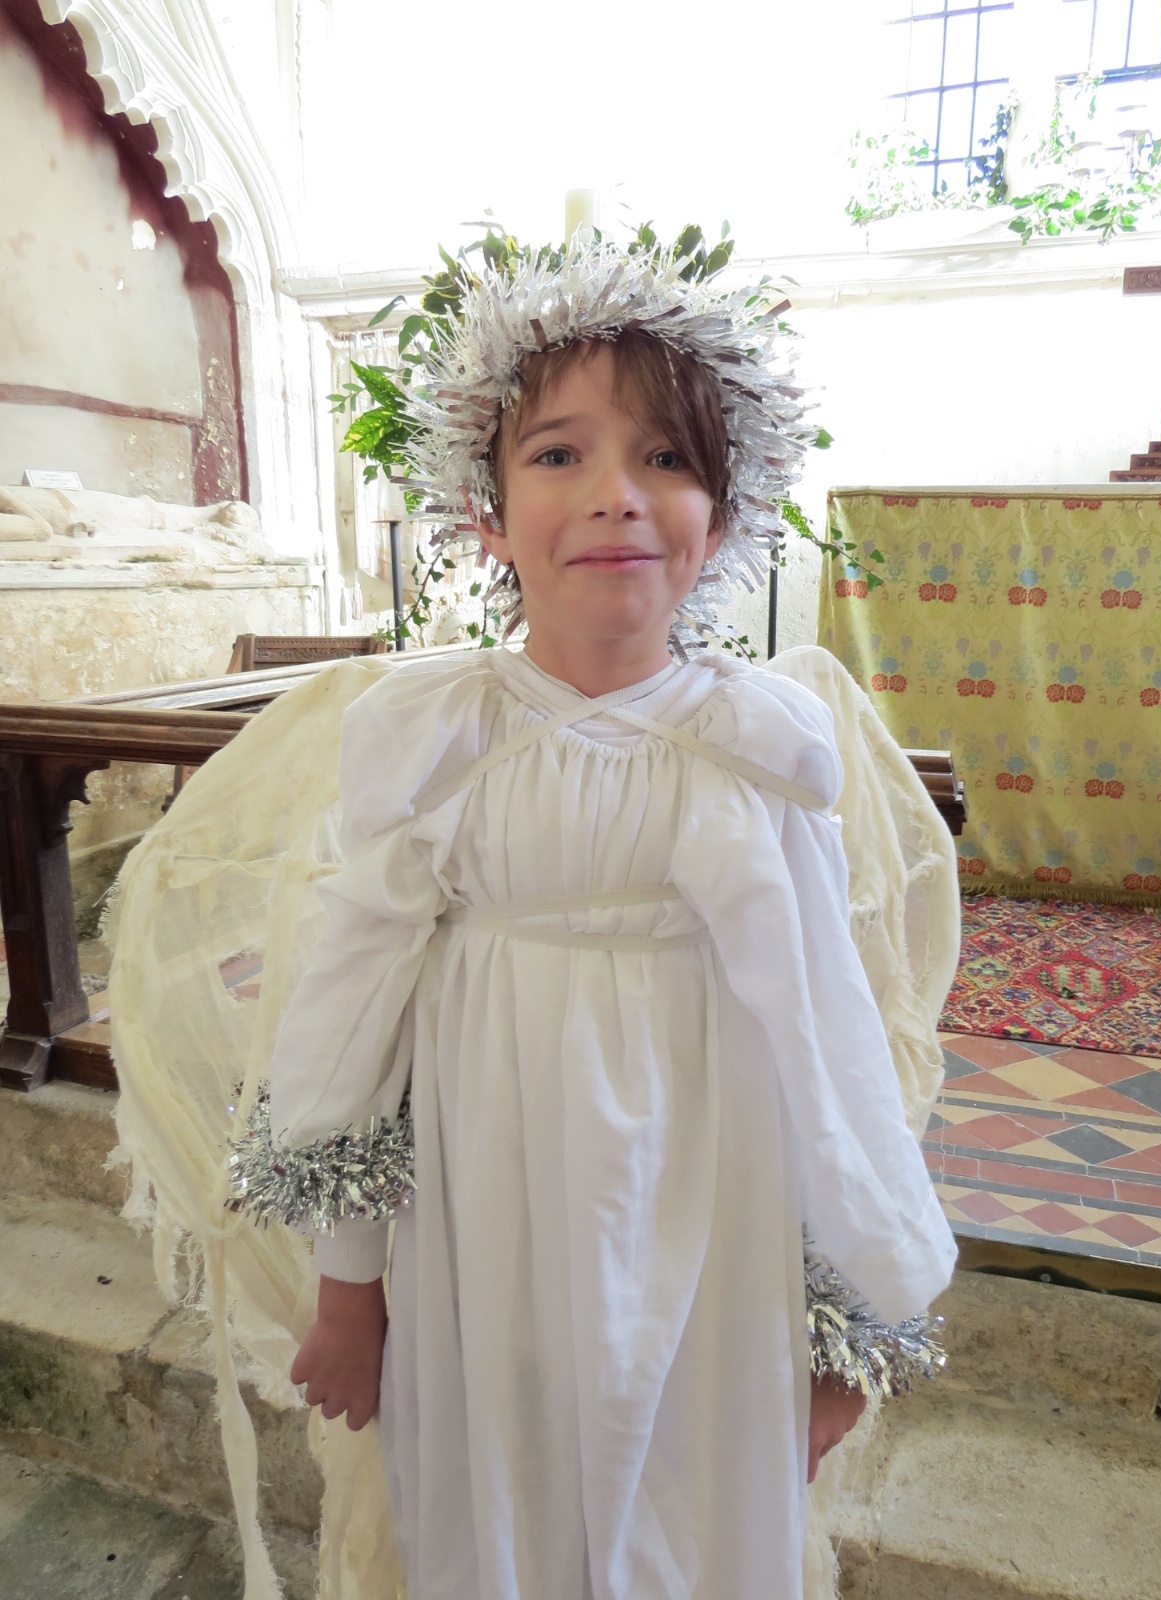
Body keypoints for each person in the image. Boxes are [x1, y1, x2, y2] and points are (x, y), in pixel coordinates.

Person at [223, 239, 957, 1600]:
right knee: (496, 1503)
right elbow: (351, 1015)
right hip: (482, 1206)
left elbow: (824, 1038)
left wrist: (848, 1322)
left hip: (713, 1208)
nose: (616, 493)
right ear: (487, 516)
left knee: (694, 1512)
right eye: (558, 454)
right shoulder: (440, 743)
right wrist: (348, 1287)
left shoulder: (754, 752)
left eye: (666, 458)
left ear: (722, 520)